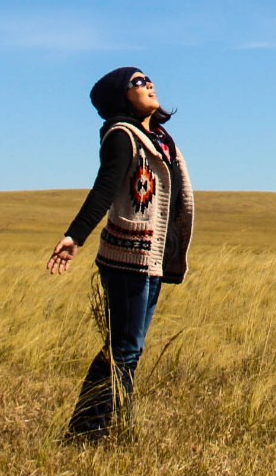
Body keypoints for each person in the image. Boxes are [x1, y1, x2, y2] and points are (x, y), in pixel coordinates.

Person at [46, 66, 195, 440]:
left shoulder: (160, 138)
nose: (149, 85)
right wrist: (74, 236)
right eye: (138, 82)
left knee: (127, 347)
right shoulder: (121, 136)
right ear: (120, 97)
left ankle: (93, 426)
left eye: (148, 79)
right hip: (128, 257)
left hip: (152, 259)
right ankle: (94, 431)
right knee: (125, 348)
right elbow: (104, 189)